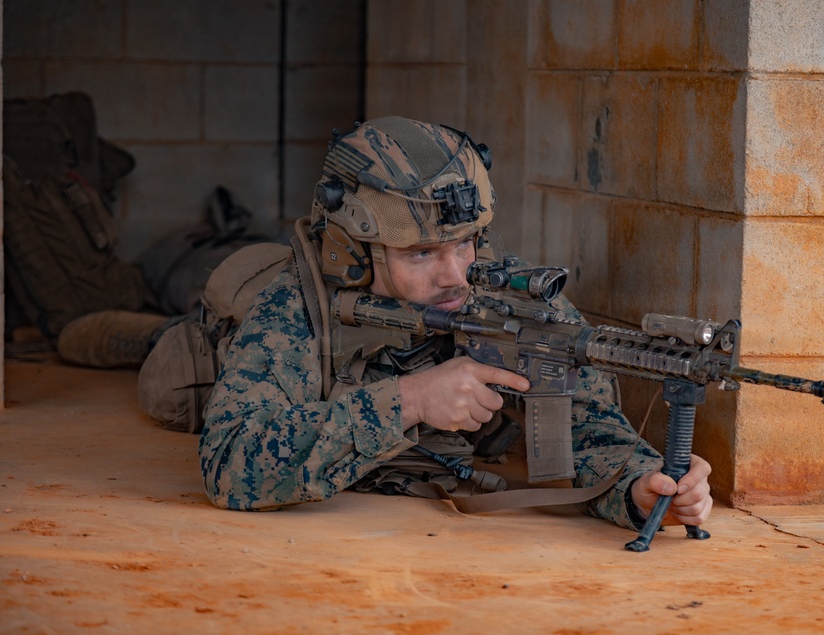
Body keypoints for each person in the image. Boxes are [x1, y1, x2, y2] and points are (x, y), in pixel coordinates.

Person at [199, 116, 712, 533]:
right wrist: (412, 400)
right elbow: (230, 464)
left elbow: (586, 420)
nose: (454, 275)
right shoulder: (294, 306)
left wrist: (640, 486)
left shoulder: (503, 294)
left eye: (464, 243)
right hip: (216, 335)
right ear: (353, 250)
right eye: (420, 253)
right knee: (171, 372)